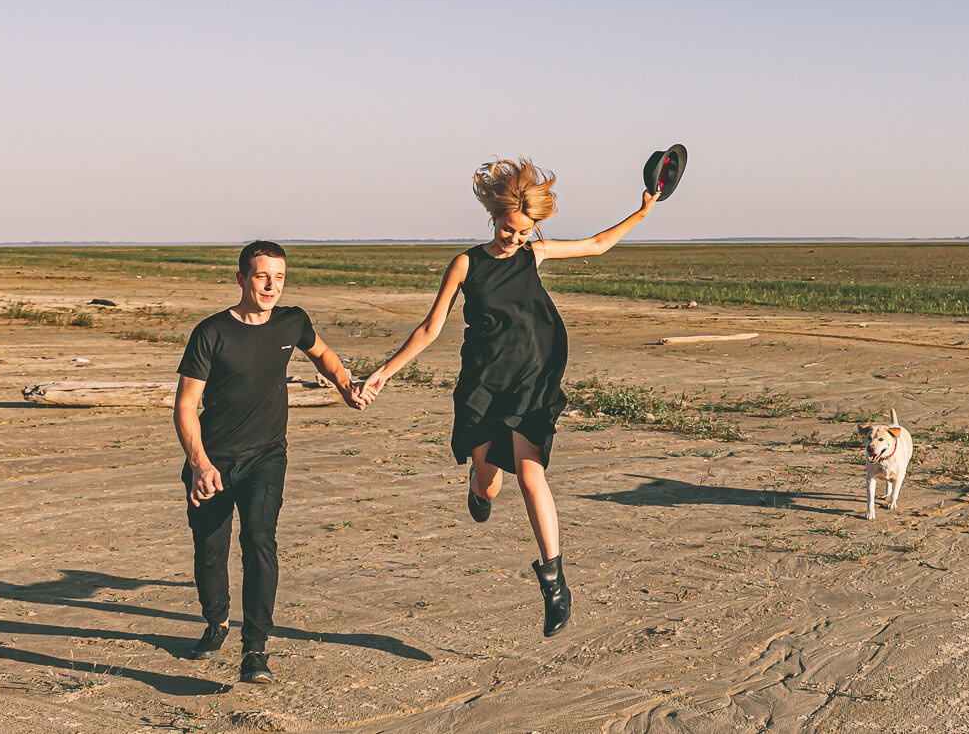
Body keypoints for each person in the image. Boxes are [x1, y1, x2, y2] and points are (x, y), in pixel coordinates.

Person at [355, 157, 655, 637]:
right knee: (491, 486)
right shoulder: (466, 264)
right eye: (508, 228)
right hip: (483, 382)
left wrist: (644, 209)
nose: (514, 238)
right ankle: (477, 484)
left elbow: (598, 245)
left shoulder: (533, 255)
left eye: (523, 231)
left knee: (531, 474)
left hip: (533, 376)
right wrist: (384, 372)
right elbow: (432, 328)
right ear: (493, 217)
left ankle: (555, 583)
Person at [174, 240, 362, 684]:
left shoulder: (292, 322)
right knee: (210, 553)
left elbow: (323, 354)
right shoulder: (211, 332)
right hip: (213, 461)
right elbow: (185, 406)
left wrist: (345, 385)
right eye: (262, 276)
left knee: (260, 540)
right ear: (241, 279)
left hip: (265, 457)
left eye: (278, 276)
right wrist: (200, 463)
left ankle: (255, 648)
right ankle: (217, 621)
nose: (271, 285)